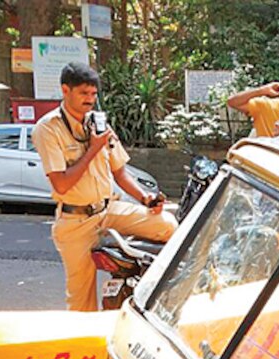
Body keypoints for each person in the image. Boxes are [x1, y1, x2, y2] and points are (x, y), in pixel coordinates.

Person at [32, 62, 177, 313]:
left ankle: (152, 296)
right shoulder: (48, 128)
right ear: (65, 90)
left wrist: (146, 198)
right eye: (83, 94)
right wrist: (93, 149)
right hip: (75, 221)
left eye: (93, 94)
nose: (89, 100)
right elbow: (62, 183)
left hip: (109, 210)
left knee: (168, 225)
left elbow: (120, 172)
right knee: (81, 303)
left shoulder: (99, 125)